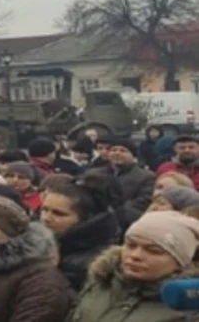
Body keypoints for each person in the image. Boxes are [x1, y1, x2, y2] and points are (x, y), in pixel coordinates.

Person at [71, 211, 199, 322]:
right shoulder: (102, 280)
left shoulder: (188, 309)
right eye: (131, 245)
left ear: (180, 263)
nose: (135, 255)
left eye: (153, 251)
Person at [40, 172, 119, 291]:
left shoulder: (93, 263)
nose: (46, 218)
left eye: (58, 214)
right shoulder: (37, 244)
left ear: (86, 219)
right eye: (44, 210)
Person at [99, 138, 155, 227]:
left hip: (129, 223)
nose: (117, 153)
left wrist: (116, 213)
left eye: (123, 150)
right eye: (114, 150)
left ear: (133, 155)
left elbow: (143, 201)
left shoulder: (146, 177)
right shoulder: (96, 174)